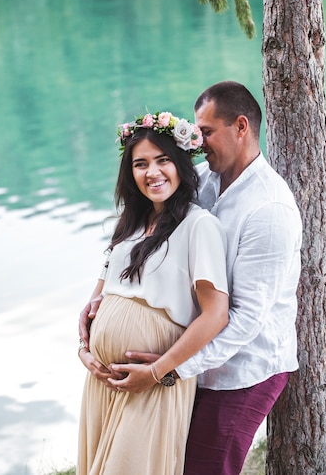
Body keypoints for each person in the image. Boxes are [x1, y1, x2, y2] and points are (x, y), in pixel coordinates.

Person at [79, 82, 302, 475]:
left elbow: (246, 319)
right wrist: (102, 294)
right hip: (183, 363)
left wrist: (166, 369)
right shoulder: (200, 181)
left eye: (208, 132)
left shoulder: (269, 209)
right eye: (196, 132)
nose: (198, 143)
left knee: (206, 468)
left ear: (241, 127)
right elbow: (138, 233)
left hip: (241, 371)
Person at [76, 110, 229, 475]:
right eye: (140, 164)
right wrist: (84, 349)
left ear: (180, 163)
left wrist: (159, 371)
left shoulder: (199, 225)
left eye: (163, 160)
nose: (152, 172)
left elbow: (216, 314)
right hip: (103, 382)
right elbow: (99, 299)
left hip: (152, 382)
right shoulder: (130, 225)